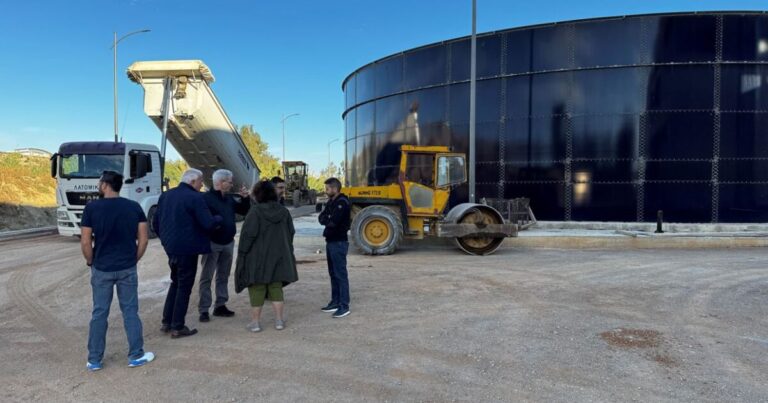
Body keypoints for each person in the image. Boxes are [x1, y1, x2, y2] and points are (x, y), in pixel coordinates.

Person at [80, 170, 155, 371]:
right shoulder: (134, 207)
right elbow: (144, 238)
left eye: (99, 182)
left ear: (105, 185)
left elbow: (86, 241)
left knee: (99, 313)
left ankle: (94, 360)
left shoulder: (92, 208)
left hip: (102, 267)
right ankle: (136, 355)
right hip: (126, 267)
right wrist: (134, 259)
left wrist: (91, 261)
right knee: (130, 311)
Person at [153, 168, 222, 339]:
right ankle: (178, 326)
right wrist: (218, 219)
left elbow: (156, 222)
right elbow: (207, 224)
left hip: (171, 248)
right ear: (193, 181)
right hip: (188, 249)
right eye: (200, 182)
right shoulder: (195, 197)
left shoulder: (166, 195)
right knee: (184, 286)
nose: (201, 186)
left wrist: (165, 241)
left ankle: (166, 321)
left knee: (175, 283)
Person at [235, 180, 298, 332]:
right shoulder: (284, 211)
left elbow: (248, 236)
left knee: (257, 287)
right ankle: (279, 321)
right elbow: (291, 232)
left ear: (258, 194)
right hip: (279, 256)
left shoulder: (255, 212)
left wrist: (243, 253)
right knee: (276, 287)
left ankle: (255, 323)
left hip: (258, 257)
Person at [198, 169, 251, 322]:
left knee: (223, 275)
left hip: (228, 242)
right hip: (212, 243)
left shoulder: (228, 199)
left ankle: (220, 305)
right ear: (221, 183)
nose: (231, 184)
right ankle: (204, 309)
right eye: (229, 181)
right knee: (207, 277)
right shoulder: (206, 199)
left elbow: (244, 211)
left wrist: (245, 198)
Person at [318, 177, 351, 318]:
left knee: (340, 274)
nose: (326, 191)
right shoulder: (332, 202)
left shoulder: (342, 202)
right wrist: (328, 218)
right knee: (333, 274)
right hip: (330, 242)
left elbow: (333, 222)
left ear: (335, 189)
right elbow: (322, 218)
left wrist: (328, 219)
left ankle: (344, 305)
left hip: (338, 242)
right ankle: (335, 301)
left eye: (327, 189)